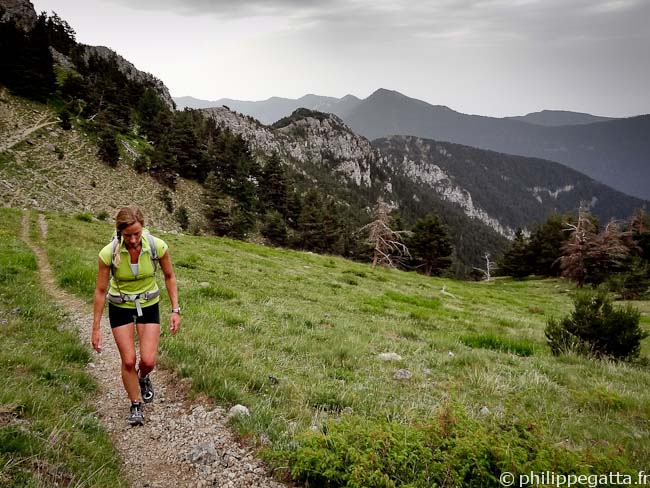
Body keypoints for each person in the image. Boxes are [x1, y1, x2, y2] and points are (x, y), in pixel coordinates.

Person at [92, 206, 181, 426]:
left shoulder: (157, 246)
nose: (132, 240)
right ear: (119, 232)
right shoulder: (108, 253)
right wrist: (95, 327)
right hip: (120, 306)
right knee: (129, 360)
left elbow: (169, 276)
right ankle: (135, 405)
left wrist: (175, 309)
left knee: (148, 361)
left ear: (143, 228)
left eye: (137, 234)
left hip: (149, 304)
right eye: (127, 235)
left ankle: (143, 378)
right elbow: (100, 290)